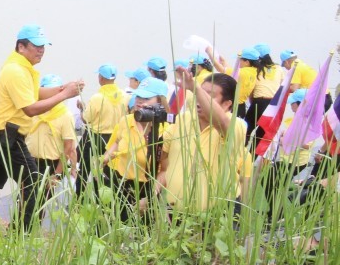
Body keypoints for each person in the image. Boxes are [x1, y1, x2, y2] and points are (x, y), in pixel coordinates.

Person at [0, 26, 84, 231]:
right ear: (21, 47)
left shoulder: (22, 67)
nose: (41, 50)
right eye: (36, 46)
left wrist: (61, 88)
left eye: (43, 46)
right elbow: (30, 109)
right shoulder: (16, 70)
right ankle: (20, 234)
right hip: (7, 136)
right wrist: (65, 95)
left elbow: (33, 93)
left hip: (2, 134)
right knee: (34, 184)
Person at [157, 69, 253, 216]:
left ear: (227, 104)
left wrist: (196, 88)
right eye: (200, 93)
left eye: (209, 96)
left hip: (219, 214)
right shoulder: (183, 120)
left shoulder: (236, 125)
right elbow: (163, 155)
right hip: (176, 213)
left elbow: (222, 122)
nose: (200, 99)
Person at [102, 77, 169, 222]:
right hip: (121, 183)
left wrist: (150, 197)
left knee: (143, 233)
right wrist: (103, 159)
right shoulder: (126, 120)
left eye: (146, 98)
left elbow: (165, 170)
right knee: (118, 227)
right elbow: (117, 143)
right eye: (138, 96)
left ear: (160, 103)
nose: (140, 101)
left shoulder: (166, 131)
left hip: (148, 188)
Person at [78, 64, 128, 194]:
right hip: (115, 140)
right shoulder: (124, 96)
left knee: (84, 168)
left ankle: (79, 197)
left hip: (96, 137)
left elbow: (86, 119)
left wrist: (81, 109)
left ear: (101, 78)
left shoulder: (97, 98)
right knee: (108, 171)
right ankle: (103, 197)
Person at [27, 74, 78, 186]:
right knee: (24, 198)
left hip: (51, 165)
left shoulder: (65, 116)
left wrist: (57, 174)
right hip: (30, 160)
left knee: (43, 197)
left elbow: (69, 148)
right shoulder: (33, 110)